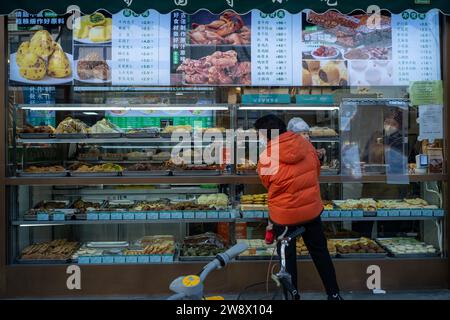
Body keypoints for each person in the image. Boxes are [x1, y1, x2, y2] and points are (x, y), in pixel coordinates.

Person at [254, 114, 342, 300]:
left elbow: (267, 182)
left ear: (266, 135)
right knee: (321, 253)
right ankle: (334, 294)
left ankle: (292, 297)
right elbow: (315, 171)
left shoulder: (267, 155)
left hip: (284, 216)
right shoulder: (307, 146)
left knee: (288, 260)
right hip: (311, 211)